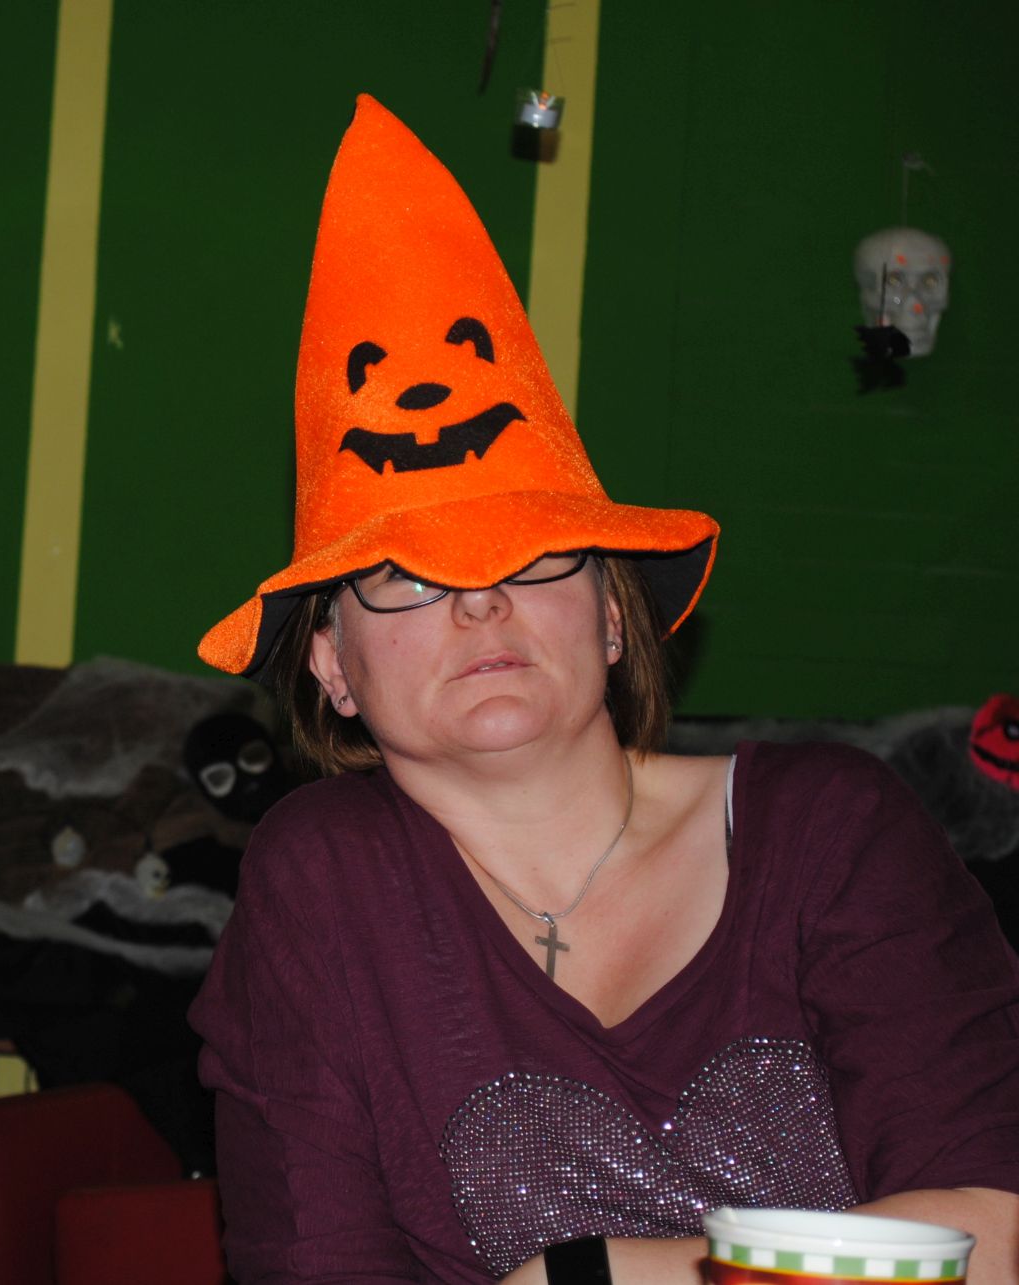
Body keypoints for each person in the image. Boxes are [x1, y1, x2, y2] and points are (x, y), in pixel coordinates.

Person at [187, 97, 1018, 1285]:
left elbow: (990, 1233)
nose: (481, 604)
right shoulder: (323, 884)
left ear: (615, 615)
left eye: (533, 556)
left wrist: (591, 1275)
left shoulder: (832, 831)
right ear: (332, 665)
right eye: (409, 577)